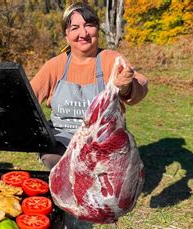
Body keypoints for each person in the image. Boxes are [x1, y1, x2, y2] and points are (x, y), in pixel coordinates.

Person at [31, 2, 148, 171]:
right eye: (75, 28)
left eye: (89, 25)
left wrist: (125, 86)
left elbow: (141, 85)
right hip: (62, 139)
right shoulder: (55, 65)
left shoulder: (110, 59)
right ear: (66, 35)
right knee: (52, 158)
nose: (83, 33)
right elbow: (26, 99)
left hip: (102, 140)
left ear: (97, 30)